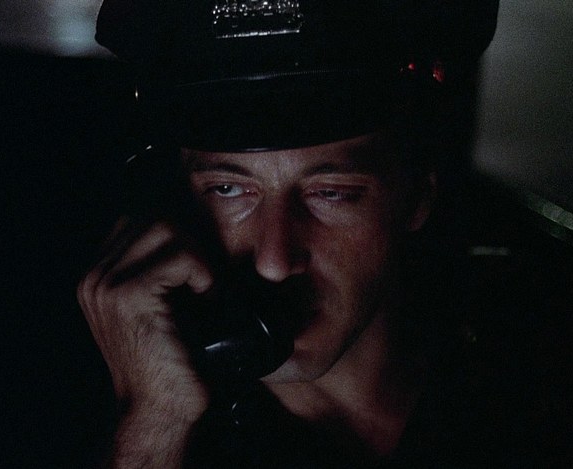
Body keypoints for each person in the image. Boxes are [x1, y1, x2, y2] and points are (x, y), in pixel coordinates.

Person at [78, 1, 500, 467]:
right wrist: (156, 425)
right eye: (228, 189)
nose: (275, 262)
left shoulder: (540, 363)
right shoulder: (106, 410)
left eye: (331, 193)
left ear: (417, 196)